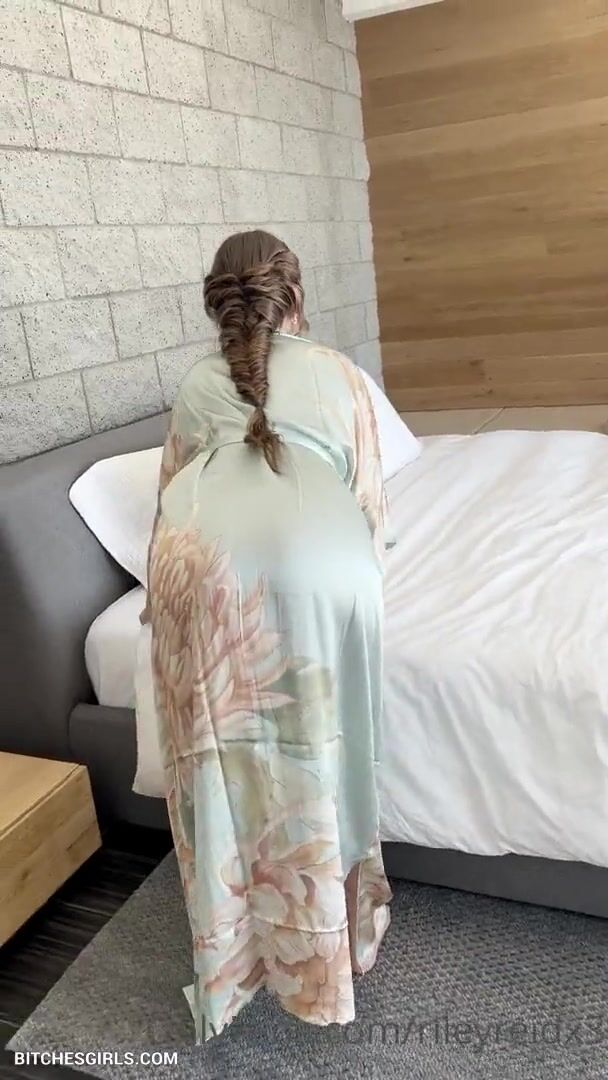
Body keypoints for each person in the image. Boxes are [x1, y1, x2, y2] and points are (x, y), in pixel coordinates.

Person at [141, 229, 392, 1043]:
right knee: (325, 748)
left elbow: (168, 493)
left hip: (196, 569)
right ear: (297, 299)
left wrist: (155, 607)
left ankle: (233, 961)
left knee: (217, 762)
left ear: (218, 303)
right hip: (321, 561)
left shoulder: (194, 385)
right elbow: (368, 502)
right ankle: (328, 953)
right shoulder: (340, 375)